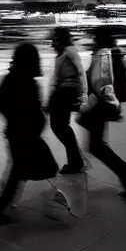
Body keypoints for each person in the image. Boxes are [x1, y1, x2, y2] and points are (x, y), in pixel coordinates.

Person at [0, 42, 64, 227]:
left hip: (14, 132)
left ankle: (5, 204)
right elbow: (35, 111)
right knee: (19, 172)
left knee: (16, 169)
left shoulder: (10, 78)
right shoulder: (29, 83)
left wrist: (11, 116)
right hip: (27, 134)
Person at [83, 27, 126, 198]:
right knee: (97, 147)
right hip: (100, 106)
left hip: (99, 107)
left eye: (94, 39)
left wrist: (94, 101)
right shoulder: (104, 54)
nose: (92, 41)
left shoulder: (105, 56)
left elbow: (102, 83)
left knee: (97, 147)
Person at [48, 26, 88, 175]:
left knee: (59, 126)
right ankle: (76, 160)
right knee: (60, 126)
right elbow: (56, 77)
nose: (52, 41)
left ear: (60, 38)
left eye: (54, 38)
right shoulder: (61, 53)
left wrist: (83, 95)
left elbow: (81, 72)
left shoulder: (70, 51)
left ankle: (76, 161)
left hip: (67, 92)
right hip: (61, 92)